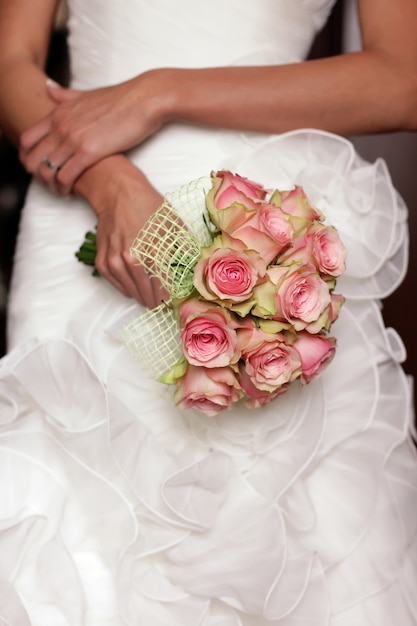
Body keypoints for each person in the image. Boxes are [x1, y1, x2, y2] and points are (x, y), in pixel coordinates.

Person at [0, 0, 416, 624]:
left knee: (281, 535)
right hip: (81, 197)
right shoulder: (100, 184)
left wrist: (161, 92)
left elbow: (403, 79)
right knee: (77, 532)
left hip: (265, 216)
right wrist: (110, 183)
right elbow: (11, 59)